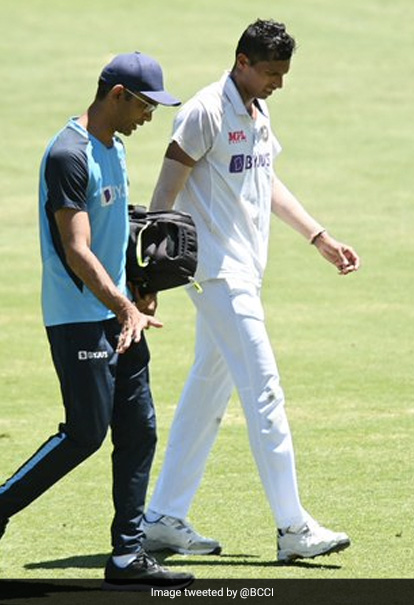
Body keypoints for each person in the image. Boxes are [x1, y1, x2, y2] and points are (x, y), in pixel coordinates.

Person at [0, 51, 194, 590]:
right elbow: (76, 250)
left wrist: (139, 287)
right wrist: (123, 305)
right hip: (79, 317)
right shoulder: (69, 153)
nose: (149, 117)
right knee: (86, 432)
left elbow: (115, 231)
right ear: (116, 95)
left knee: (139, 430)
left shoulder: (114, 148)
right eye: (144, 106)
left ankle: (127, 556)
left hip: (119, 313)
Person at [141, 20, 361, 562]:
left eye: (283, 74)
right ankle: (293, 529)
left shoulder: (258, 109)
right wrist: (148, 277)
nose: (278, 83)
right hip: (215, 273)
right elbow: (164, 192)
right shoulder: (204, 111)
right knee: (264, 392)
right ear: (242, 60)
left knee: (206, 391)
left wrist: (318, 235)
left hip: (244, 271)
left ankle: (163, 518)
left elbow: (265, 179)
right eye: (270, 72)